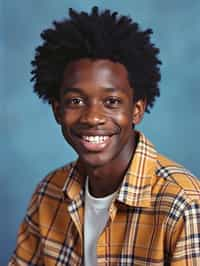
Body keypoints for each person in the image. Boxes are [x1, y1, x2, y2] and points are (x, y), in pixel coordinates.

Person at [9, 6, 200, 266]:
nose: (92, 117)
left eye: (111, 101)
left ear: (136, 110)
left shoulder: (183, 203)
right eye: (75, 100)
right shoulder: (48, 193)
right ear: (57, 110)